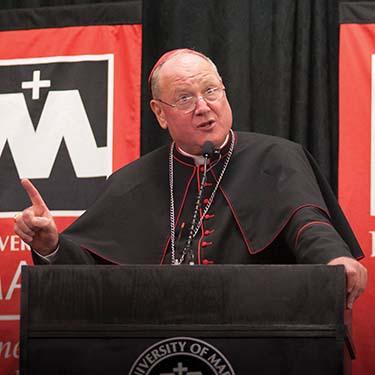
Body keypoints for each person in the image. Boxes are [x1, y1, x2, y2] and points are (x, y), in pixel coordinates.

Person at [14, 48, 367, 309]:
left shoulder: (277, 157)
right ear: (159, 113)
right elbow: (89, 270)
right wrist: (50, 244)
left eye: (211, 91)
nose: (203, 106)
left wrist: (335, 260)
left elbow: (307, 223)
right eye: (185, 98)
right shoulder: (131, 182)